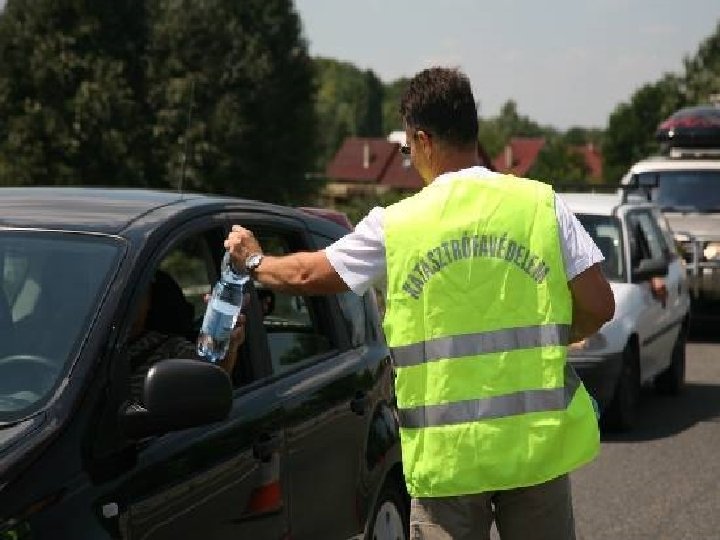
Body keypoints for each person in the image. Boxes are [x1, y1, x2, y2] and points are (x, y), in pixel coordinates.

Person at [224, 67, 615, 540]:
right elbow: (599, 304)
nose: (409, 160)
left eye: (407, 150)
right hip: (534, 450)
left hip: (447, 460)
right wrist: (553, 338)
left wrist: (254, 261)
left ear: (424, 140)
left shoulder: (397, 225)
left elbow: (309, 273)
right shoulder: (540, 205)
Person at [127, 270, 245, 402]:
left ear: (149, 298)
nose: (125, 300)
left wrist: (226, 344)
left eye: (134, 292)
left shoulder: (171, 350)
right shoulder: (100, 343)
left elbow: (209, 385)